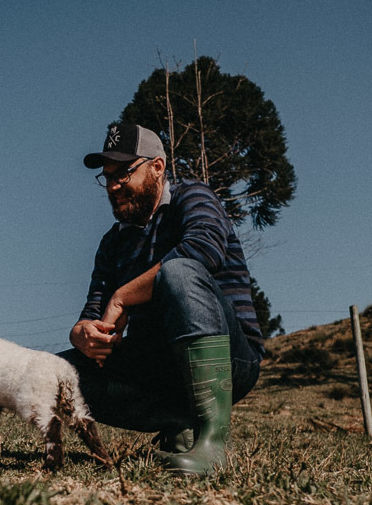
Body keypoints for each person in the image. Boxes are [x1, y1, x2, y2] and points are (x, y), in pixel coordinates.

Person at [62, 124, 264, 475]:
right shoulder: (113, 242)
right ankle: (179, 423)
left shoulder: (193, 197)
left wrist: (123, 297)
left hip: (231, 360)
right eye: (107, 177)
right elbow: (95, 307)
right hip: (155, 369)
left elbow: (203, 251)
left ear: (157, 167)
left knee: (180, 271)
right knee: (57, 374)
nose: (112, 186)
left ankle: (214, 442)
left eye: (123, 173)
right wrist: (82, 334)